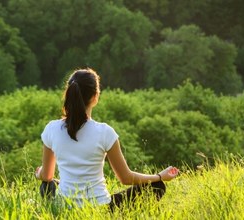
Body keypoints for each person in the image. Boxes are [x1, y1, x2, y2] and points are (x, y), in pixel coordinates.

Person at [35, 68, 179, 210]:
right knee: (156, 186)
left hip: (66, 208)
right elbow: (126, 178)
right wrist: (160, 176)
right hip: (101, 209)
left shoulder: (51, 129)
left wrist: (39, 172)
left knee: (47, 185)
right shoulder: (105, 132)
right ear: (95, 97)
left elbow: (47, 176)